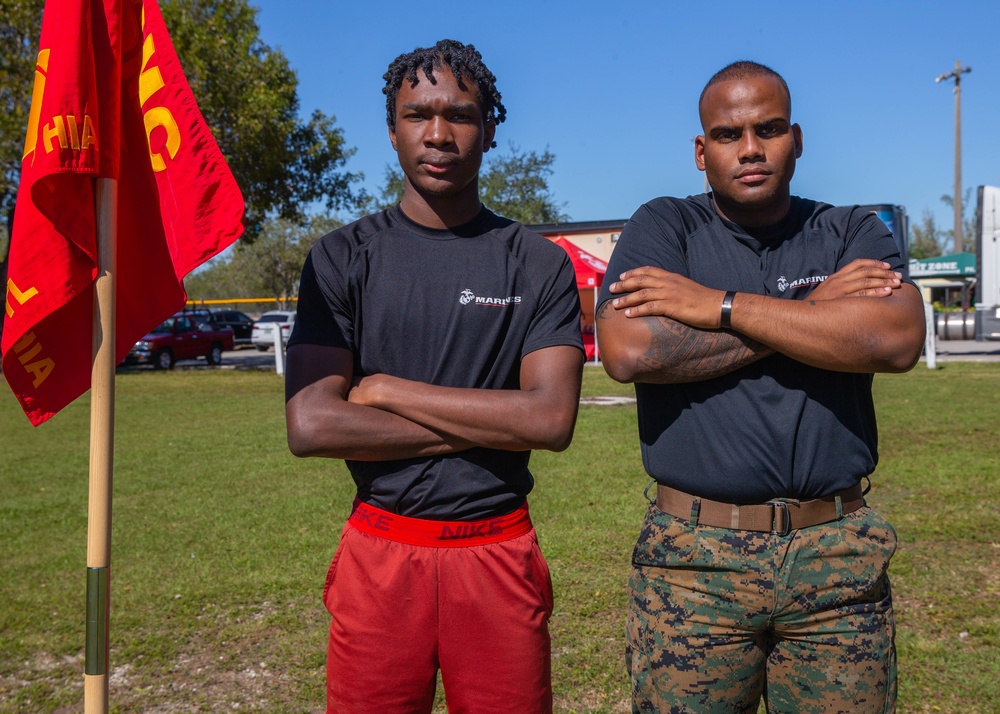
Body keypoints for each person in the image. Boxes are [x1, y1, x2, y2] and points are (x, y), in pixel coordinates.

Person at [596, 60, 925, 713]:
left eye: (769, 129)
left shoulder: (850, 230)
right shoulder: (667, 227)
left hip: (835, 557)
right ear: (700, 149)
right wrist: (814, 311)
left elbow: (894, 340)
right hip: (694, 561)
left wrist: (717, 305)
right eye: (728, 133)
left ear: (796, 139)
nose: (750, 148)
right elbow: (630, 350)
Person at [284, 39, 584, 714]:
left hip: (498, 549)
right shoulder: (340, 259)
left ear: (490, 129)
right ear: (392, 130)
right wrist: (495, 422)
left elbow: (550, 421)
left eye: (460, 114)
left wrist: (389, 391)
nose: (439, 134)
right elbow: (312, 424)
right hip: (382, 551)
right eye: (418, 114)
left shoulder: (536, 264)